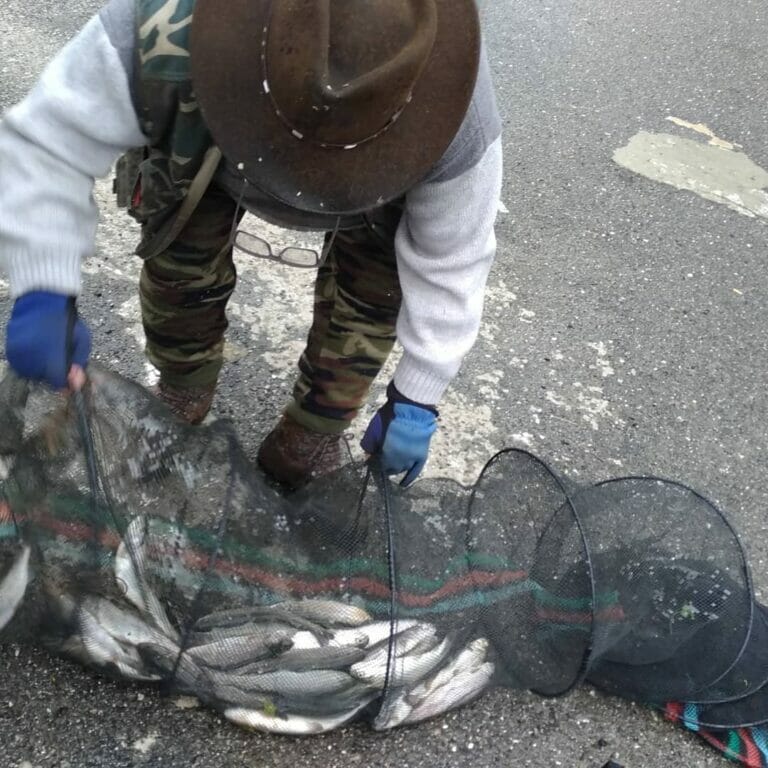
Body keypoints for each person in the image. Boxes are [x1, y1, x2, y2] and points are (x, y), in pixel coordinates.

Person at [0, 0, 503, 489]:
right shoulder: (162, 27)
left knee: (376, 288)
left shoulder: (452, 107)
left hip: (379, 194)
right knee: (180, 253)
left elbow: (455, 253)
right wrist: (44, 284)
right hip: (211, 147)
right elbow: (49, 144)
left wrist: (417, 395)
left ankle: (314, 430)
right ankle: (184, 387)